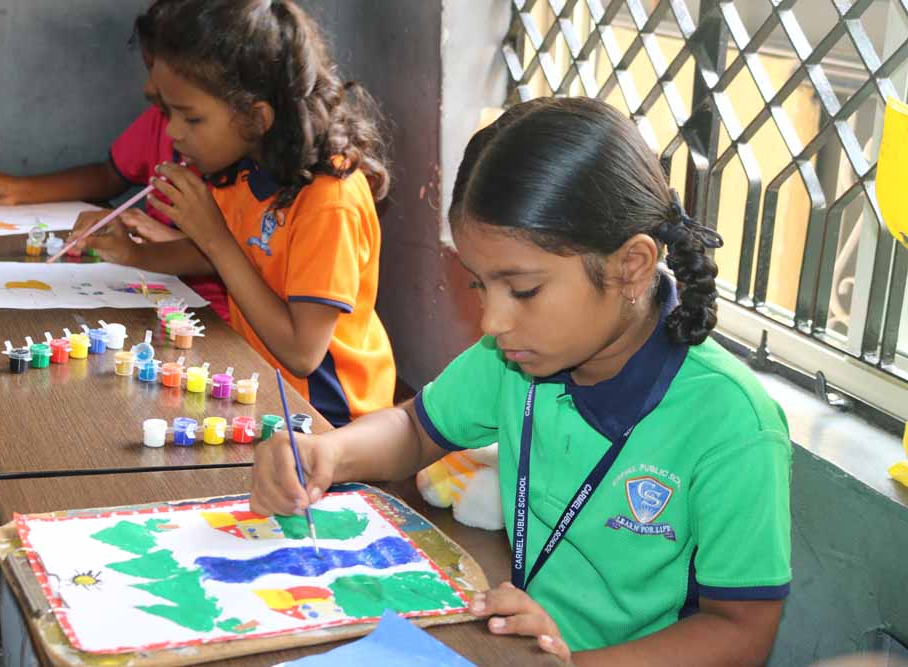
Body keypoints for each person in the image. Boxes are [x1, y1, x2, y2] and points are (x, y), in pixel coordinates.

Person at [249, 97, 793, 664]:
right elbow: (415, 429)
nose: (492, 322)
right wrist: (328, 453)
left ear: (630, 267)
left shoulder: (732, 423)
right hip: (520, 644)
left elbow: (741, 632)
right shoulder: (520, 355)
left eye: (524, 290)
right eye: (479, 285)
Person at [78, 0, 396, 426]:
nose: (172, 132)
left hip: (327, 419)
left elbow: (302, 352)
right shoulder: (245, 169)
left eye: (191, 118)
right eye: (169, 113)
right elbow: (225, 252)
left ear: (256, 117)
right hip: (263, 388)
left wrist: (214, 237)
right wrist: (134, 254)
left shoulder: (329, 201)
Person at [0, 0, 232, 322]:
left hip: (208, 317)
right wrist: (18, 190)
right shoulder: (160, 123)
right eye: (150, 68)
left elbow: (230, 255)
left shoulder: (239, 164)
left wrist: (154, 241)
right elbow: (110, 174)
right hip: (152, 288)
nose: (150, 87)